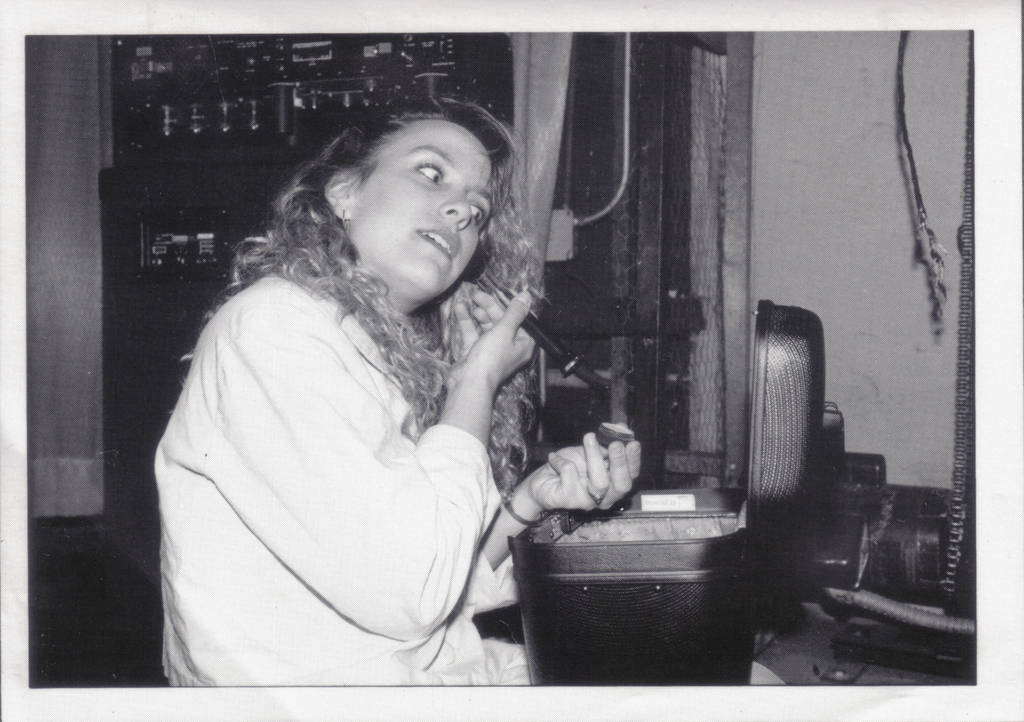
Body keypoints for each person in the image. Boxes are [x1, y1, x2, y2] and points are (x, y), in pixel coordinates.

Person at [154, 95, 642, 686]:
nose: (462, 212)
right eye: (431, 173)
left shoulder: (377, 353)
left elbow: (441, 582)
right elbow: (416, 591)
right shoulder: (277, 328)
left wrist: (532, 501)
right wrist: (476, 381)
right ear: (345, 193)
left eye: (478, 211)